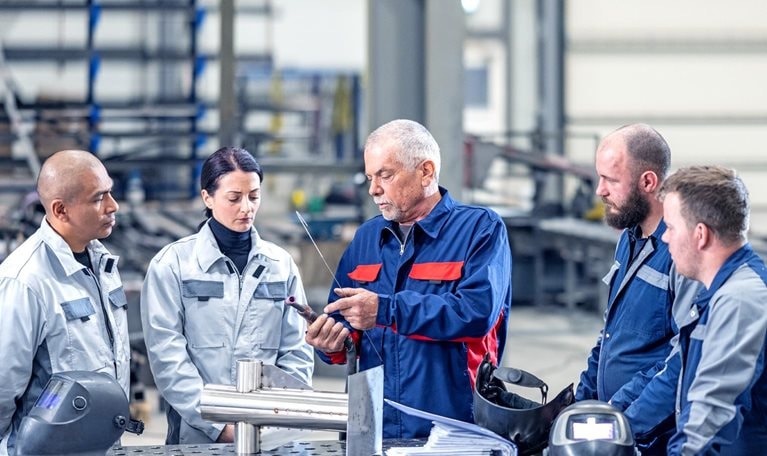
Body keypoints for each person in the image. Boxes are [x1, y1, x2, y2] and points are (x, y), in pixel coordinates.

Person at [305, 119, 512, 439]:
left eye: (385, 175)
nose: (374, 189)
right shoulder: (367, 238)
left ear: (426, 172)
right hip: (372, 428)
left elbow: (475, 313)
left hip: (452, 430)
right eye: (370, 177)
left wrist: (386, 310)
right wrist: (330, 343)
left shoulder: (480, 229)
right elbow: (344, 322)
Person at [141, 147, 314, 444]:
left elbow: (296, 351)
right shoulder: (173, 265)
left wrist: (278, 418)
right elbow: (167, 358)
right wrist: (218, 427)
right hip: (198, 436)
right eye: (234, 198)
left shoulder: (280, 265)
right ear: (207, 198)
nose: (246, 207)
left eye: (254, 196)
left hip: (270, 434)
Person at [575, 124, 701, 452]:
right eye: (599, 178)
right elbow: (610, 337)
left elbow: (683, 360)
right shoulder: (628, 240)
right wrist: (579, 406)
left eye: (611, 180)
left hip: (652, 438)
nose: (600, 191)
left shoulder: (681, 255)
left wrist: (623, 423)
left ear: (648, 182)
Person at [628, 166, 767, 455]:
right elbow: (675, 375)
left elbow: (710, 416)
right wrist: (618, 420)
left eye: (671, 227)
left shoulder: (740, 300)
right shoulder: (715, 295)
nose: (665, 239)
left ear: (700, 234)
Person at [0, 150, 128, 455]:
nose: (113, 206)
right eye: (99, 198)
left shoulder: (102, 265)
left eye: (110, 192)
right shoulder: (25, 280)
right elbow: (3, 385)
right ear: (60, 210)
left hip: (102, 443)